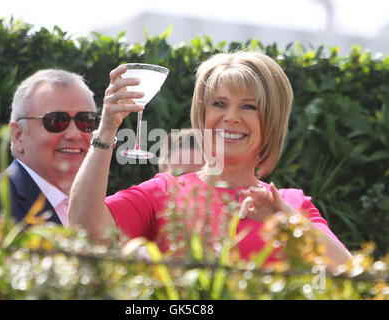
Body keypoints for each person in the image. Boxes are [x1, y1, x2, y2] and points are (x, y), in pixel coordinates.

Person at [68, 51, 352, 270]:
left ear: (272, 122)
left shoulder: (292, 204)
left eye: (248, 106)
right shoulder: (164, 192)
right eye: (219, 103)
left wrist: (289, 224)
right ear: (203, 113)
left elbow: (350, 275)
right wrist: (105, 131)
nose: (231, 116)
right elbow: (85, 231)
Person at [0, 69, 98, 232]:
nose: (75, 134)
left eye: (86, 121)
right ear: (18, 135)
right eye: (56, 121)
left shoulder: (99, 206)